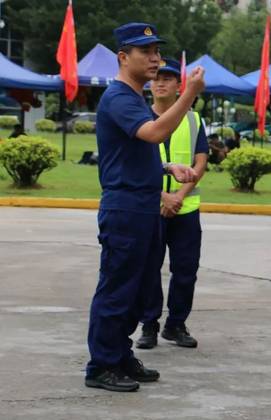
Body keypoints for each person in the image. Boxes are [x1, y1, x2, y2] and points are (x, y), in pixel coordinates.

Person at [85, 22, 205, 392]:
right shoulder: (119, 96)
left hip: (143, 207)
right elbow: (153, 134)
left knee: (139, 291)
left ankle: (120, 355)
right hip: (126, 209)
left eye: (157, 51)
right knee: (118, 288)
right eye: (146, 52)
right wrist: (188, 95)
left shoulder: (134, 97)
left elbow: (131, 153)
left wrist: (167, 167)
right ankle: (101, 365)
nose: (156, 58)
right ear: (123, 57)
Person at [135, 58, 209, 350]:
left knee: (186, 269)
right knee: (149, 268)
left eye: (168, 79)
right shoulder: (139, 116)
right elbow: (135, 163)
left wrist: (178, 196)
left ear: (181, 86)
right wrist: (161, 196)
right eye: (157, 78)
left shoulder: (193, 119)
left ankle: (176, 324)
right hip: (151, 207)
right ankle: (149, 325)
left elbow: (200, 160)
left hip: (186, 208)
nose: (160, 83)